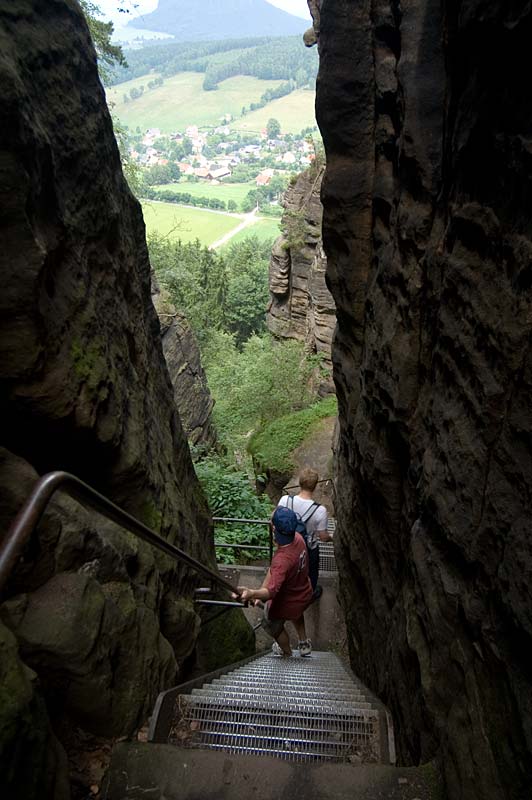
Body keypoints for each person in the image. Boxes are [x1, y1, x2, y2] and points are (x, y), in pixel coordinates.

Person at [236, 506, 313, 657]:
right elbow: (274, 573)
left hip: (285, 602)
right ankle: (304, 642)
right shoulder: (298, 538)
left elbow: (271, 591)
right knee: (297, 613)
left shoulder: (282, 560)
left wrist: (252, 593)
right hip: (302, 592)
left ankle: (287, 652)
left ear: (275, 530)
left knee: (273, 625)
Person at [276, 467, 331, 600]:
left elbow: (275, 518)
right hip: (308, 548)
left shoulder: (285, 500)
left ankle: (287, 590)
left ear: (300, 483)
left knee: (288, 568)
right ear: (315, 486)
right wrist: (333, 538)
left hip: (287, 544)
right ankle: (309, 593)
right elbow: (323, 537)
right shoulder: (320, 511)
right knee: (311, 571)